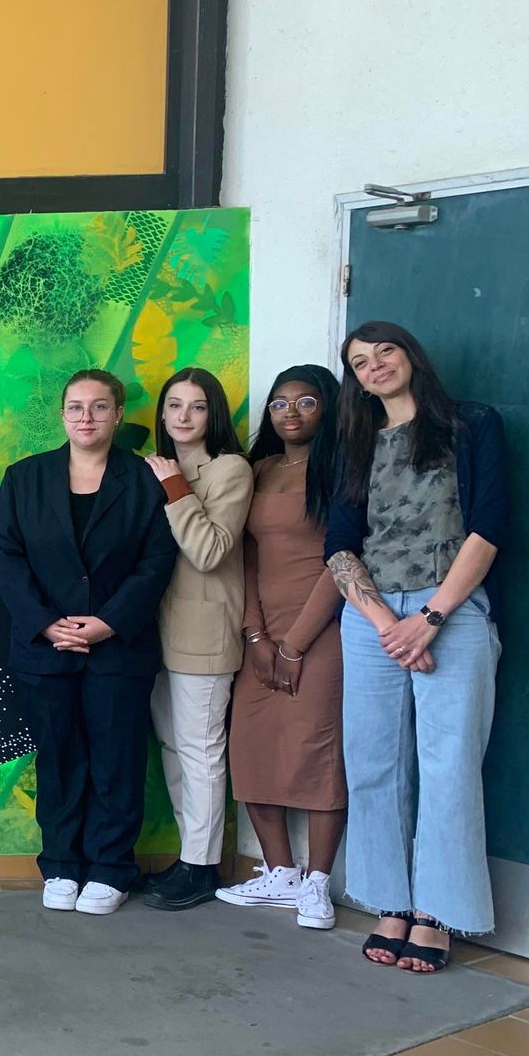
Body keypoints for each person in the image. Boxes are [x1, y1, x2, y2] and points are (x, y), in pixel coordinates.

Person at [326, 322, 507, 974]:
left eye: (385, 351)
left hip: (452, 607)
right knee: (372, 762)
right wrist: (387, 625)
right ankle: (390, 902)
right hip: (371, 616)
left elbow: (489, 526)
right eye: (360, 362)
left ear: (410, 356)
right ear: (355, 380)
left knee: (449, 764)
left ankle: (436, 912)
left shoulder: (471, 425)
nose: (375, 366)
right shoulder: (353, 442)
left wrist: (429, 618)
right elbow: (339, 546)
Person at [0, 369, 179, 915]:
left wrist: (109, 622)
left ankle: (111, 868)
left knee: (117, 759)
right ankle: (61, 864)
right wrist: (45, 622)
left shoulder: (144, 479)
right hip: (44, 648)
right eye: (76, 407)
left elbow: (157, 559)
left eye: (98, 407)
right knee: (59, 758)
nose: (86, 417)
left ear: (117, 414)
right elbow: (6, 554)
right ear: (62, 415)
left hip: (119, 647)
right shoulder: (25, 477)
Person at [219, 365, 347, 929]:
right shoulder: (259, 470)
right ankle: (280, 874)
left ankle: (317, 883)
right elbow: (244, 558)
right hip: (262, 634)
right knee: (251, 748)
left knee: (318, 751)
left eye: (306, 402)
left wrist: (295, 644)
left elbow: (343, 560)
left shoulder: (343, 470)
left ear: (329, 408)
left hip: (323, 631)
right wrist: (256, 635)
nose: (290, 413)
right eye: (279, 403)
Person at [139, 368, 253, 911]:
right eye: (174, 405)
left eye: (197, 406)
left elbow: (209, 552)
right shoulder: (150, 469)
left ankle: (202, 868)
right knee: (171, 746)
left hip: (204, 631)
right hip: (151, 629)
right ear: (162, 413)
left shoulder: (230, 469)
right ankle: (189, 856)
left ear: (214, 415)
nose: (183, 416)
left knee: (200, 749)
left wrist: (175, 489)